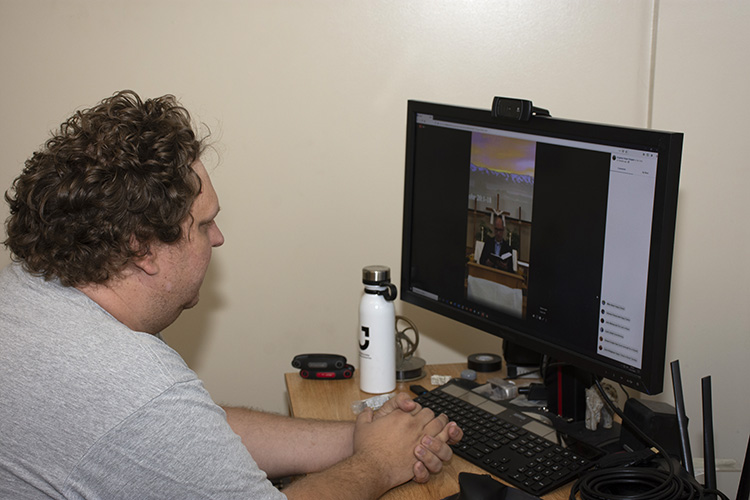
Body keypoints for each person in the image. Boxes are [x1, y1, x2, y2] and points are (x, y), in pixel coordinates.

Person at [0, 90, 463, 500]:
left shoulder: (31, 286)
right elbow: (154, 416)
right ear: (141, 248)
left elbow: (194, 435)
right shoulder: (134, 389)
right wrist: (379, 464)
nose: (218, 238)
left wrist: (362, 438)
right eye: (202, 224)